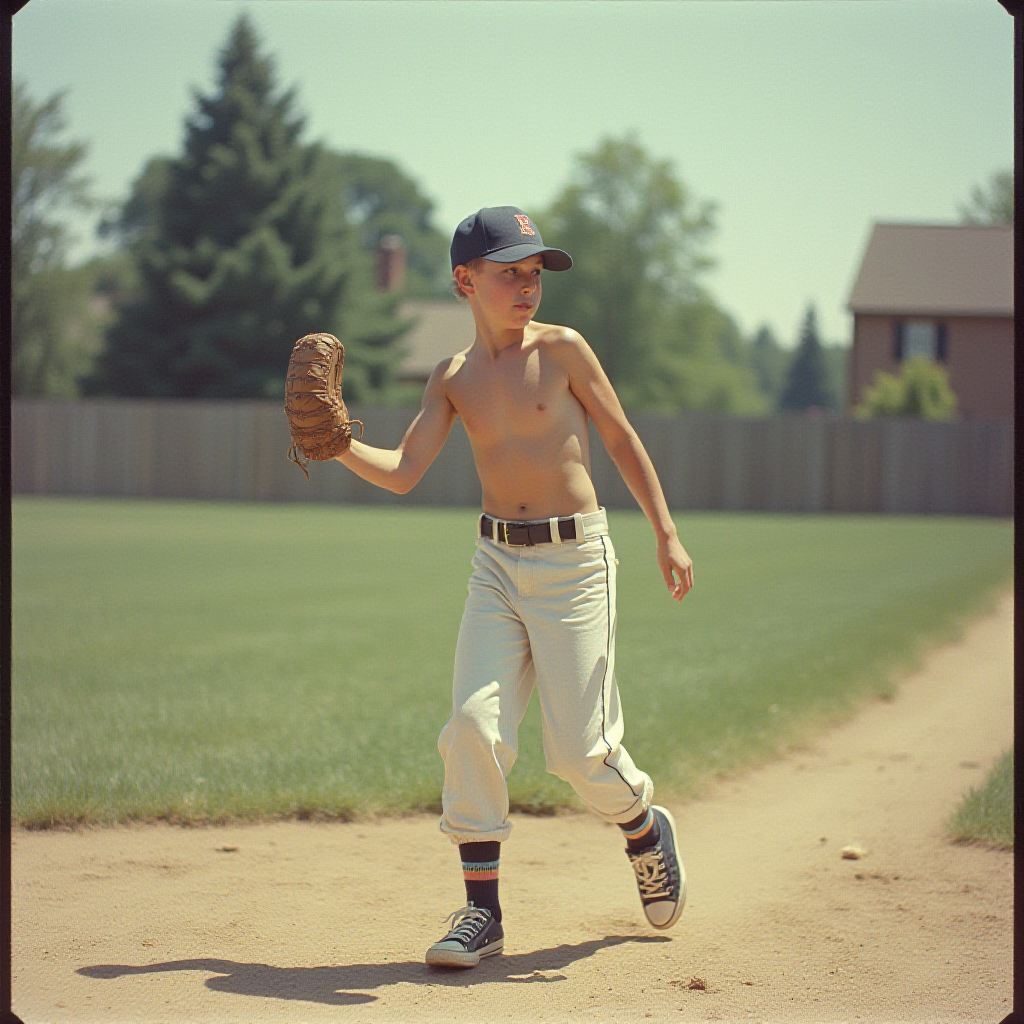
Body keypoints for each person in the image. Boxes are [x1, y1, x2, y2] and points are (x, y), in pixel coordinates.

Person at [336, 206, 694, 968]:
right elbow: (403, 471)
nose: (528, 286)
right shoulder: (453, 378)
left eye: (535, 273)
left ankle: (643, 830)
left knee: (581, 756)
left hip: (576, 566)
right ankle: (482, 915)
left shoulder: (563, 351)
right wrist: (339, 444)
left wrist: (665, 530)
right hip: (495, 566)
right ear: (466, 280)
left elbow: (622, 437)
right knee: (470, 727)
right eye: (511, 273)